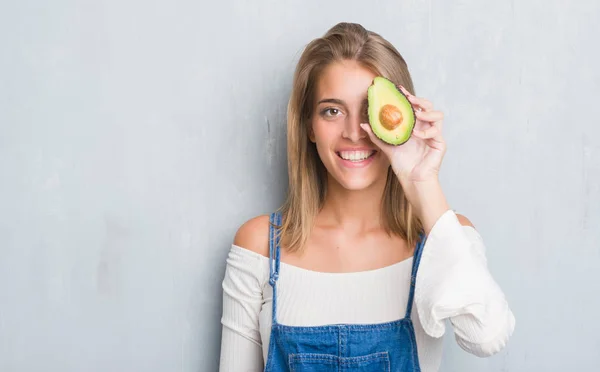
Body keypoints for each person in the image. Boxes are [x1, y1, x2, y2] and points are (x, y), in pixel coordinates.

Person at [218, 22, 515, 372]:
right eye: (332, 110)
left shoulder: (442, 237)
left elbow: (486, 337)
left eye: (371, 111)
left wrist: (422, 180)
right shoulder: (259, 246)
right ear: (309, 126)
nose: (354, 133)